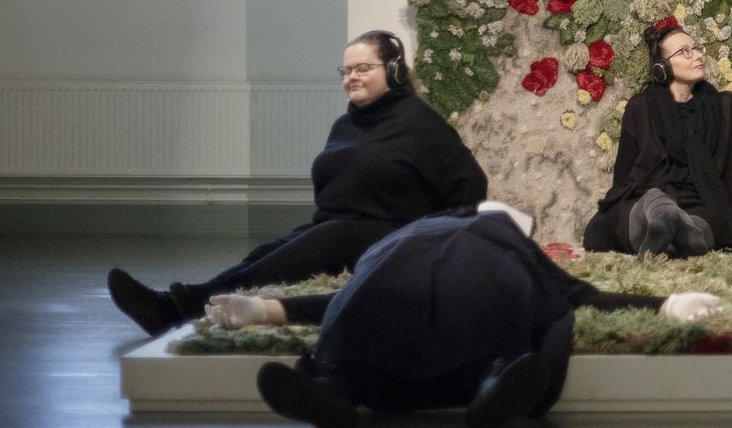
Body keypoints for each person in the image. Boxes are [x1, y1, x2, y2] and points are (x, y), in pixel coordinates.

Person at [206, 203, 722, 428]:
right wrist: (664, 302)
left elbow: (343, 297)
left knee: (362, 320)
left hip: (385, 312)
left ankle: (335, 390)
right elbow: (580, 295)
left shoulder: (408, 238)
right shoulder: (506, 240)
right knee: (512, 321)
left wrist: (267, 309)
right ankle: (491, 385)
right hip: (475, 315)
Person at [106, 30, 488, 337]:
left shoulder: (418, 122)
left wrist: (433, 239)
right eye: (346, 70)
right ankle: (189, 302)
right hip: (336, 226)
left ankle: (176, 307)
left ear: (394, 71)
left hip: (389, 235)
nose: (352, 77)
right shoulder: (347, 124)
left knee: (309, 247)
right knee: (266, 256)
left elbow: (470, 186)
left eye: (363, 68)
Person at [581, 23, 732, 258]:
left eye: (697, 48)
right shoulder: (640, 106)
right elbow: (624, 178)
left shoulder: (724, 105)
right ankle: (669, 220)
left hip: (701, 202)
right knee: (617, 220)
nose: (698, 55)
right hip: (646, 200)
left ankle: (674, 226)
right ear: (662, 66)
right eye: (685, 51)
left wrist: (731, 220)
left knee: (704, 220)